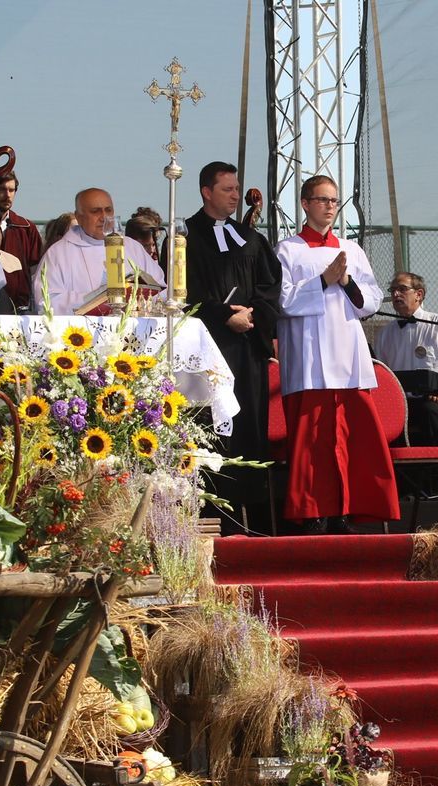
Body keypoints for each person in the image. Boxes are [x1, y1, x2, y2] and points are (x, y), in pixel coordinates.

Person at [275, 175, 399, 533]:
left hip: (347, 356)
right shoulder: (288, 250)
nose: (329, 207)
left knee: (351, 439)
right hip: (310, 359)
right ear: (305, 204)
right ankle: (312, 512)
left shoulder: (352, 250)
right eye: (322, 199)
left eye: (334, 201)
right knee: (312, 442)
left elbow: (371, 300)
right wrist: (322, 281)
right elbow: (281, 301)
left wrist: (345, 281)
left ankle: (346, 510)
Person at [184, 162, 282, 524]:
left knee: (249, 428)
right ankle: (211, 514)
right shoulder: (186, 238)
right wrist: (225, 315)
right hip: (210, 348)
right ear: (206, 192)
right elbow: (186, 290)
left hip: (247, 352)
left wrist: (252, 315)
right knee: (211, 428)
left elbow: (271, 286)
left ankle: (253, 518)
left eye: (237, 189)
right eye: (227, 189)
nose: (235, 195)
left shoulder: (252, 239)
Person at [373, 271, 438, 488]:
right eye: (392, 290)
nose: (396, 294)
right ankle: (396, 483)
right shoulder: (385, 333)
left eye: (402, 289)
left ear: (419, 294)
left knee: (431, 411)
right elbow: (383, 374)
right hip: (402, 403)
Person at [32, 188, 163, 317]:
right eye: (95, 211)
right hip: (82, 334)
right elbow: (46, 301)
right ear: (79, 217)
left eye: (108, 210)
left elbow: (160, 289)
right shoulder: (59, 253)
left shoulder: (132, 247)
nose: (104, 217)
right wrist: (97, 298)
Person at [0, 171, 42, 313]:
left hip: (20, 310)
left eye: (11, 190)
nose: (7, 195)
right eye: (1, 189)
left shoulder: (26, 227)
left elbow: (36, 273)